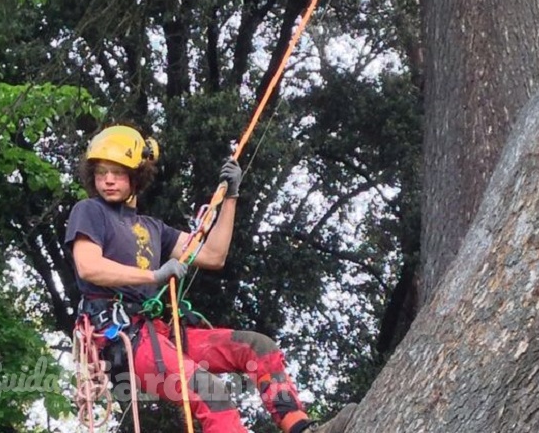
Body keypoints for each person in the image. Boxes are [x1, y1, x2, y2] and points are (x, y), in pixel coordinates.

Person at [65, 124, 356, 433]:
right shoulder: (90, 211)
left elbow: (214, 255)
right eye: (101, 172)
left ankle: (300, 428)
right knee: (208, 390)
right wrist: (154, 274)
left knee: (257, 346)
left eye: (118, 172)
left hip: (156, 332)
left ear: (137, 174)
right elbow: (89, 267)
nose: (108, 180)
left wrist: (231, 197)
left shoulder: (154, 228)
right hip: (121, 336)